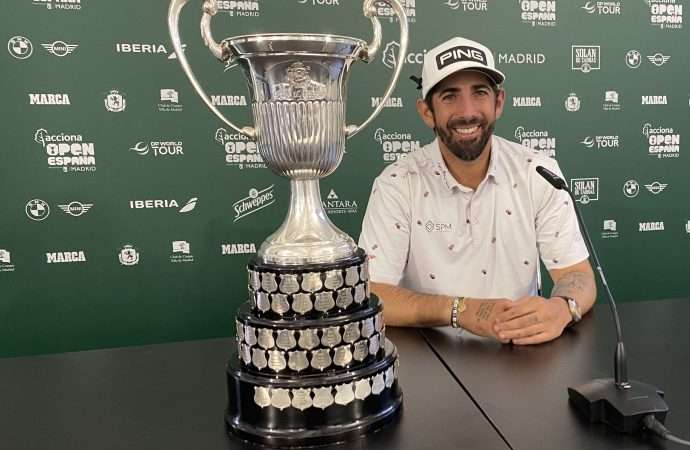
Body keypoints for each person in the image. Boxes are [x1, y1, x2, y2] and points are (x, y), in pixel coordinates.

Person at [359, 37, 596, 345]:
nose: (467, 111)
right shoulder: (397, 183)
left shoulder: (537, 172)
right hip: (428, 359)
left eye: (480, 93)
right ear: (426, 112)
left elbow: (576, 274)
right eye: (449, 96)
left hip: (520, 356)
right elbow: (372, 294)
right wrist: (460, 310)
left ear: (498, 103)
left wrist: (563, 308)